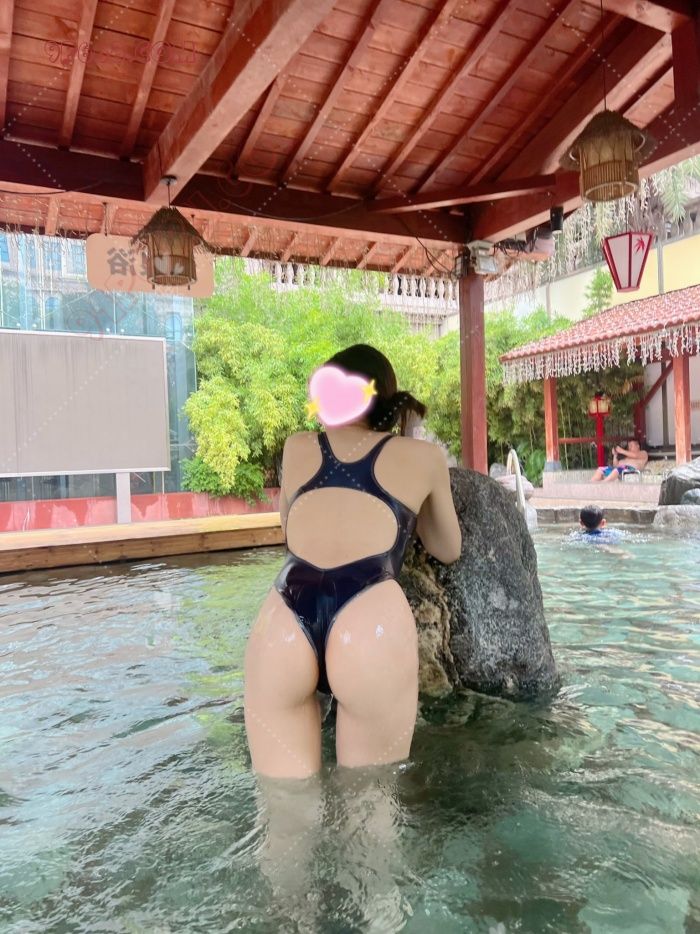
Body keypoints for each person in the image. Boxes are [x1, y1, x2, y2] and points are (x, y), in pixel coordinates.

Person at [244, 344, 462, 780]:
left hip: (284, 616)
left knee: (283, 807)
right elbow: (447, 547)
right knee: (369, 804)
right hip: (370, 620)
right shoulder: (423, 457)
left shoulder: (296, 447)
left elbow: (289, 528)